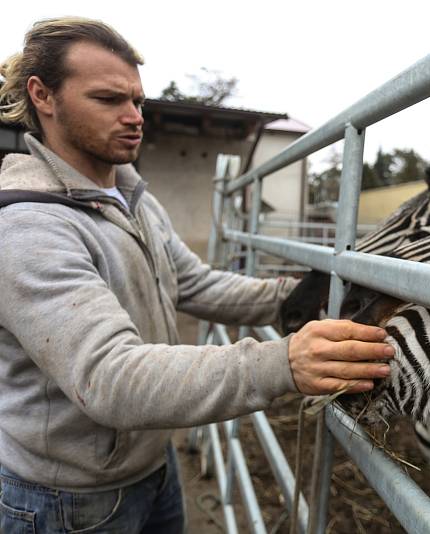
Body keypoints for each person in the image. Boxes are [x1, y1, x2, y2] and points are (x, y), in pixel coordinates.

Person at [0, 17, 393, 533]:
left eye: (137, 101)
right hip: (67, 499)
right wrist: (282, 364)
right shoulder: (28, 226)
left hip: (153, 468)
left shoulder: (132, 196)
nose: (133, 116)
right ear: (43, 96)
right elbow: (109, 377)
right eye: (108, 99)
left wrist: (295, 296)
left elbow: (194, 283)